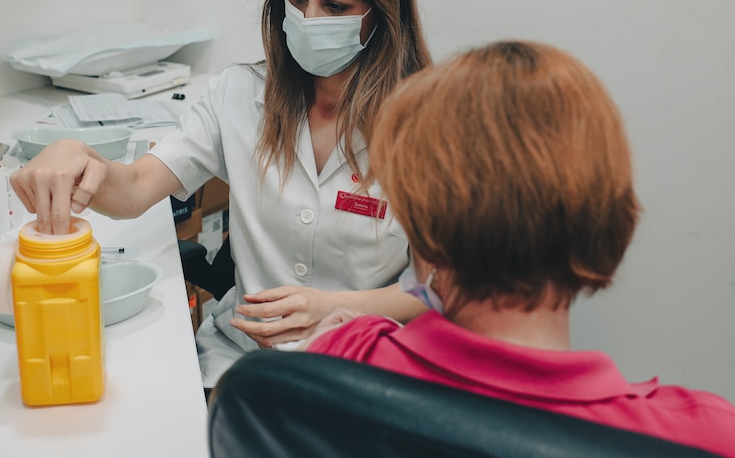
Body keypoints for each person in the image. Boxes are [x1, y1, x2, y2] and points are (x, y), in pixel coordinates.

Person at [9, 0, 431, 388]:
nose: (309, 19)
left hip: (362, 371)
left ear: (381, 12)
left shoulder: (429, 125)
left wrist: (339, 309)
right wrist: (79, 157)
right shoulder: (241, 94)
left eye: (334, 6)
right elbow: (135, 189)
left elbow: (441, 288)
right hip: (242, 359)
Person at [304, 41, 735, 456]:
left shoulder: (340, 363)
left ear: (423, 229)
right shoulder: (706, 436)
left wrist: (334, 343)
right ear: (608, 218)